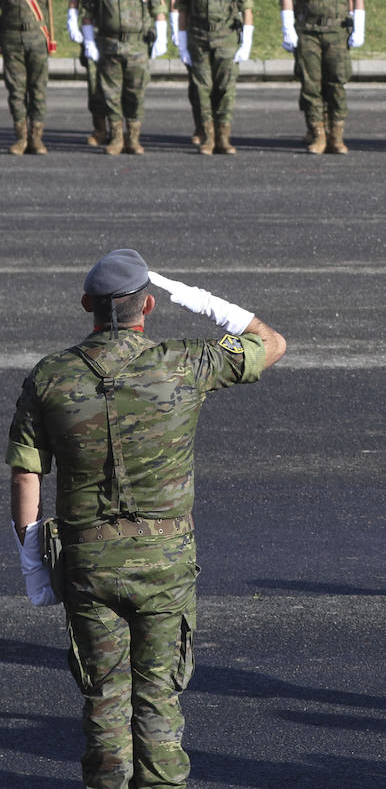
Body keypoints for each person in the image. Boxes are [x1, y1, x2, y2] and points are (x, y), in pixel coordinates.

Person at [6, 248, 286, 788]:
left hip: (87, 561)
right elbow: (270, 343)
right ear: (149, 305)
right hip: (165, 562)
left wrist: (32, 559)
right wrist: (197, 298)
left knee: (103, 700)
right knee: (159, 698)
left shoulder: (51, 376)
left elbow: (25, 477)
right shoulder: (183, 363)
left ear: (86, 304)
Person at [281, 0, 364, 154]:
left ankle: (336, 135)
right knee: (311, 84)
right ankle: (317, 134)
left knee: (336, 82)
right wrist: (287, 26)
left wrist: (359, 24)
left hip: (337, 31)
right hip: (308, 31)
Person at [82, 0, 168, 156]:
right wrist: (89, 42)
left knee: (135, 93)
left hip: (137, 45)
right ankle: (116, 138)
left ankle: (133, 139)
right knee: (110, 94)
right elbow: (88, 15)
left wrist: (162, 37)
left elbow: (158, 10)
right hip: (109, 45)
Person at [1, 0, 81, 155]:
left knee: (37, 89)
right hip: (11, 39)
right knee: (16, 91)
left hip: (37, 37)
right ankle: (21, 137)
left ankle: (36, 137)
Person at [175, 0, 253, 155]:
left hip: (226, 39)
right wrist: (181, 42)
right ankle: (208, 137)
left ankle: (223, 137)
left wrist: (246, 40)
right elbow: (183, 10)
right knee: (202, 89)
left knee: (226, 89)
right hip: (199, 39)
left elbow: (246, 8)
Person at [167, 0, 233, 147]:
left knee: (222, 83)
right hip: (194, 28)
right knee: (198, 84)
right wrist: (177, 29)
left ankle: (219, 130)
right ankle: (201, 128)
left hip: (222, 32)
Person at [67, 0, 118, 146]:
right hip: (92, 29)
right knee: (95, 82)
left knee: (119, 83)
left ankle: (119, 131)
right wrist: (71, 19)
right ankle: (99, 130)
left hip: (118, 31)